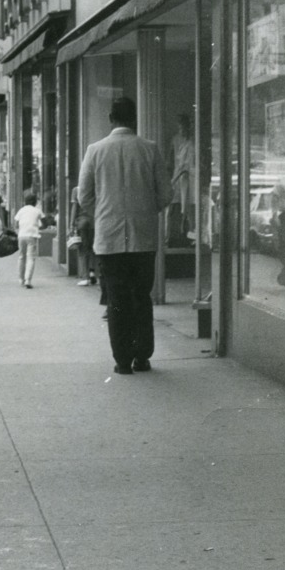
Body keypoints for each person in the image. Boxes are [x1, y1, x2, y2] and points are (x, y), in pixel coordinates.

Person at [78, 96, 173, 375]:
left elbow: (84, 196)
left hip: (109, 241)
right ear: (135, 119)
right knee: (142, 298)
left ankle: (122, 360)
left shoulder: (94, 151)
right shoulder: (150, 149)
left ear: (111, 119)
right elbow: (166, 194)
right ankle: (142, 356)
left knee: (117, 300)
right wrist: (145, 209)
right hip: (143, 239)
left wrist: (105, 213)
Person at [169, 113, 196, 241]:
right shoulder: (176, 141)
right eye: (180, 128)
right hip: (178, 179)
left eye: (184, 127)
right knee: (176, 206)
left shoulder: (191, 143)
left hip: (188, 179)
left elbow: (187, 165)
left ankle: (188, 234)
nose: (182, 130)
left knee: (187, 207)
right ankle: (176, 235)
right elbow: (172, 161)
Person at [14, 192, 44, 289]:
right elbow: (44, 222)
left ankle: (21, 279)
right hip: (32, 235)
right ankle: (28, 280)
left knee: (21, 257)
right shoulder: (37, 211)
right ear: (35, 202)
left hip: (21, 235)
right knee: (31, 257)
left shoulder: (21, 210)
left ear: (25, 201)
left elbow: (16, 223)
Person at [68, 185, 97, 287]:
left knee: (83, 250)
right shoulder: (95, 188)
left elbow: (74, 208)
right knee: (93, 248)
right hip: (95, 222)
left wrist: (71, 225)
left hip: (82, 223)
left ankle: (85, 278)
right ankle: (93, 272)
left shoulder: (76, 190)